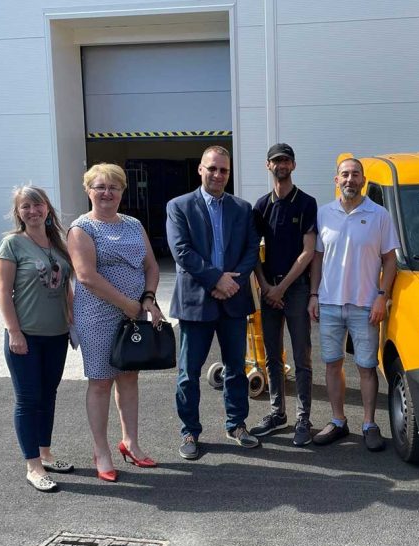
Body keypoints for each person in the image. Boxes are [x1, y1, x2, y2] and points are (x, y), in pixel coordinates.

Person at [68, 163, 164, 483]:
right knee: (100, 382)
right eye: (100, 187)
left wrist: (148, 298)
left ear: (123, 191)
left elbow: (151, 266)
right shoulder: (82, 228)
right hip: (97, 315)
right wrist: (127, 304)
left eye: (114, 187)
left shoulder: (134, 224)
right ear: (88, 191)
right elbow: (86, 276)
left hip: (134, 312)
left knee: (129, 377)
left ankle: (130, 442)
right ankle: (101, 451)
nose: (107, 193)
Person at [166, 146, 260, 459]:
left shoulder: (242, 208)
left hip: (233, 300)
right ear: (200, 169)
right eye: (212, 168)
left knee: (236, 369)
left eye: (224, 170)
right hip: (196, 303)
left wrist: (232, 283)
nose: (218, 175)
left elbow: (251, 250)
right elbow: (181, 250)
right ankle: (189, 432)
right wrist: (216, 279)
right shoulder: (179, 206)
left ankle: (237, 425)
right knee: (188, 373)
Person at [308, 158, 399, 451]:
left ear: (363, 180)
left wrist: (382, 296)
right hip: (330, 303)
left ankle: (370, 424)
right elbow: (317, 258)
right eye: (345, 174)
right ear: (336, 180)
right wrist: (313, 295)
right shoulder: (324, 213)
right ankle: (338, 421)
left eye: (355, 174)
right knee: (332, 364)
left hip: (365, 305)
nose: (350, 179)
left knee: (366, 367)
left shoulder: (379, 215)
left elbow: (390, 259)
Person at [0, 185, 74, 492]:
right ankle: (33, 466)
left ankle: (45, 453)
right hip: (25, 336)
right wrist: (14, 332)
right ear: (18, 212)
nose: (33, 211)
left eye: (38, 205)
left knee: (48, 395)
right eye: (26, 206)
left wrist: (72, 320)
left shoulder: (58, 243)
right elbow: (4, 293)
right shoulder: (12, 244)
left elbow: (66, 286)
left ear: (47, 209)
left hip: (57, 335)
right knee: (28, 400)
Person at [249, 143, 317, 446]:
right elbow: (252, 250)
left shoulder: (306, 203)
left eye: (286, 160)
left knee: (302, 356)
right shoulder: (261, 206)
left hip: (296, 288)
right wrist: (266, 287)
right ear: (268, 166)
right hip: (269, 290)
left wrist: (281, 288)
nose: (282, 165)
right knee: (272, 356)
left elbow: (308, 252)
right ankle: (278, 413)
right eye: (276, 160)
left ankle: (303, 417)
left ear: (294, 165)